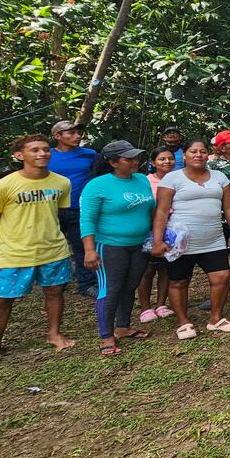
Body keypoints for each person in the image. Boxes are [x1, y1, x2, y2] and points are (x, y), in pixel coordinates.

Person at [0, 134, 75, 364]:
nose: (42, 154)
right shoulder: (2, 186)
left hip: (53, 249)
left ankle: (54, 333)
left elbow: (56, 213)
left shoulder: (61, 182)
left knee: (54, 292)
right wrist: (1, 242)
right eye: (35, 150)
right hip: (13, 253)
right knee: (3, 299)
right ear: (19, 156)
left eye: (46, 149)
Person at [152, 139, 230, 335]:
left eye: (202, 151)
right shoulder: (172, 178)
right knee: (179, 281)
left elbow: (229, 207)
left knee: (222, 277)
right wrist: (158, 241)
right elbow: (161, 211)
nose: (198, 155)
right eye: (193, 151)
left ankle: (216, 318)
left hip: (213, 237)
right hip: (182, 242)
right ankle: (183, 322)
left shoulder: (219, 177)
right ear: (184, 155)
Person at [80, 140, 156, 354]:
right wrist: (89, 249)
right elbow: (87, 219)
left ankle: (122, 327)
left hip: (139, 244)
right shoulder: (97, 185)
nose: (135, 162)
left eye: (136, 157)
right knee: (110, 288)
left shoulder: (141, 179)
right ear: (113, 162)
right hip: (110, 245)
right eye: (128, 158)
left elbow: (150, 209)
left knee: (129, 285)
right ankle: (106, 336)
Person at [47, 120, 97, 297]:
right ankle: (52, 282)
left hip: (80, 208)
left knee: (83, 246)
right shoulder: (47, 156)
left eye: (78, 133)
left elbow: (96, 177)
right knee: (50, 247)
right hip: (52, 209)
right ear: (57, 136)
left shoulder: (89, 154)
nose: (77, 136)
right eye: (71, 133)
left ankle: (86, 284)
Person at [137, 145, 175, 323]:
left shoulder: (178, 178)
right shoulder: (145, 181)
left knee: (166, 269)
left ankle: (161, 304)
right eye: (162, 159)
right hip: (149, 230)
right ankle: (145, 308)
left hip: (172, 230)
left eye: (170, 158)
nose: (167, 162)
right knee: (147, 270)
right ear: (153, 162)